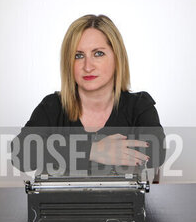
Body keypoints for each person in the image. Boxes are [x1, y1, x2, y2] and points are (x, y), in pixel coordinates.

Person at [12, 14, 165, 178]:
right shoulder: (53, 106)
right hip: (61, 203)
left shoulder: (138, 106)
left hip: (120, 203)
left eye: (98, 53)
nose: (88, 66)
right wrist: (92, 150)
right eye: (78, 56)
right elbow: (21, 155)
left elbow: (155, 155)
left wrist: (61, 153)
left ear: (116, 57)